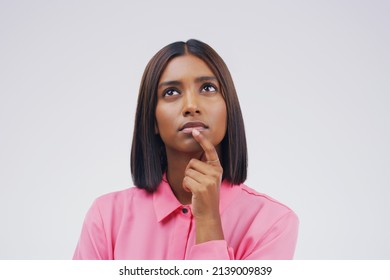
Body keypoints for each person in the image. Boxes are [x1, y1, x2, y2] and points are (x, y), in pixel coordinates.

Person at [73, 39, 299, 259]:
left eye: (208, 88)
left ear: (228, 108)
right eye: (171, 92)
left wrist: (209, 221)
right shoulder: (106, 217)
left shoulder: (274, 223)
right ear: (152, 119)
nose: (191, 106)